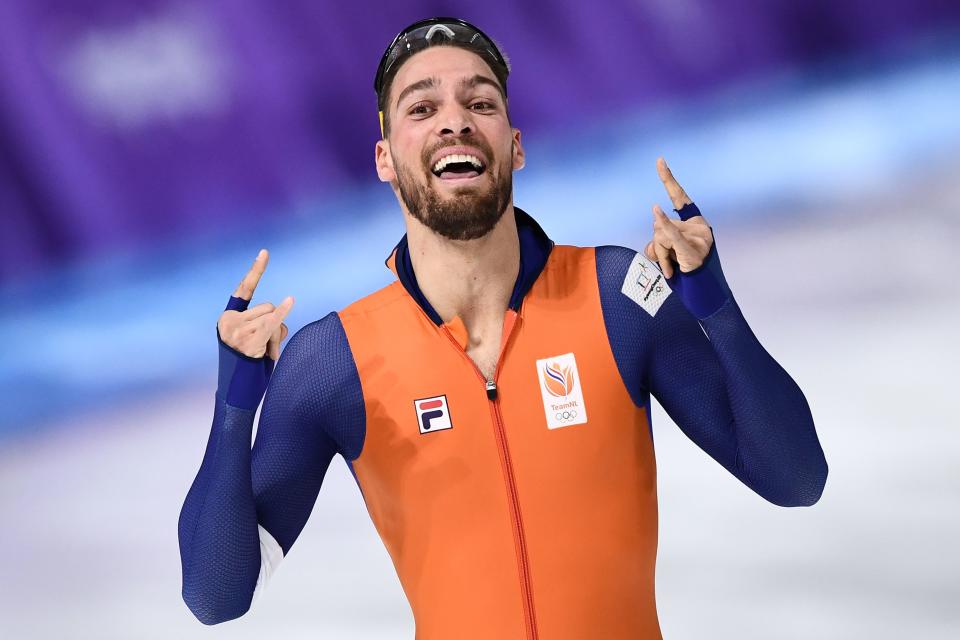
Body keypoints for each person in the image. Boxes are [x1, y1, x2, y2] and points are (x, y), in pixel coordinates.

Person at [178, 16, 828, 639]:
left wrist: (713, 304)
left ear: (515, 146)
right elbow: (215, 597)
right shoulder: (334, 362)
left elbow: (795, 479)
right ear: (384, 158)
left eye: (480, 103)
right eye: (422, 108)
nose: (455, 120)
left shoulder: (616, 300)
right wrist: (235, 407)